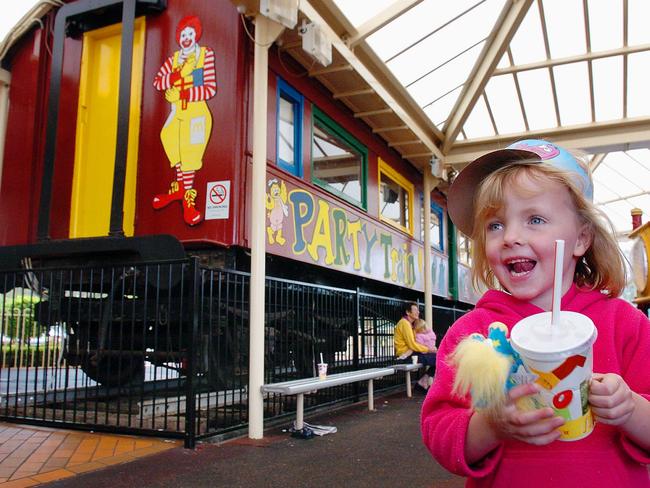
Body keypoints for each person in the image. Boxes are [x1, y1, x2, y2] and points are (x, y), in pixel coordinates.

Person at [421, 139, 650, 486]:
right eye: (495, 225)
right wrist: (490, 426)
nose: (510, 236)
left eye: (536, 219)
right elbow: (439, 432)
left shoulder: (626, 323)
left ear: (580, 239)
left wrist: (629, 409)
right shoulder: (473, 332)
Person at [152, 15, 217, 226]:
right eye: (182, 34)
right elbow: (158, 81)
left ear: (196, 35)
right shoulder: (173, 59)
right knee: (170, 140)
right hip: (177, 113)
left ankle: (188, 201)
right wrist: (172, 80)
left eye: (190, 34)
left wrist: (183, 94)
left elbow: (210, 88)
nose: (186, 38)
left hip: (196, 114)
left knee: (189, 152)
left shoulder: (204, 56)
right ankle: (180, 189)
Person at [394, 302, 436, 391]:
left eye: (418, 310)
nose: (418, 312)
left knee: (439, 358)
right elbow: (412, 345)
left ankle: (422, 382)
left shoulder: (409, 324)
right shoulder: (404, 323)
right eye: (415, 310)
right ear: (408, 312)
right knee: (439, 358)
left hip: (411, 354)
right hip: (406, 356)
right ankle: (422, 382)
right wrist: (429, 350)